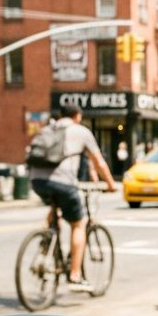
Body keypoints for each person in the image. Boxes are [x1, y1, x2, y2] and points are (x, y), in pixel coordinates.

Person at [27, 107, 117, 292]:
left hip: (37, 181)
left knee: (55, 207)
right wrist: (110, 184)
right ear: (77, 116)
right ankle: (75, 275)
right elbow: (98, 161)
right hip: (63, 182)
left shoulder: (47, 129)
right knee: (78, 224)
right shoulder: (81, 131)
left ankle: (47, 240)